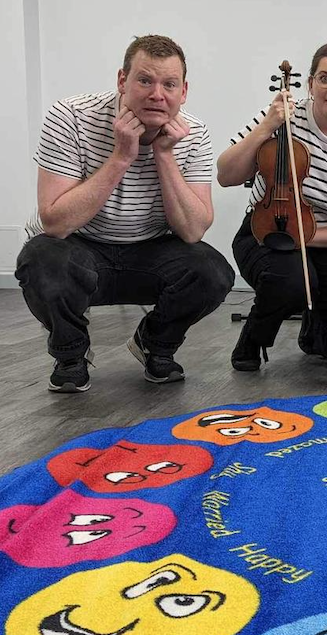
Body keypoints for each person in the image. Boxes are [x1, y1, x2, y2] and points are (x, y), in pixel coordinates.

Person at [16, 34, 232, 392]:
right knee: (41, 258)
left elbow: (193, 231)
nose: (157, 94)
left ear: (183, 91)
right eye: (145, 80)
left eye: (169, 84)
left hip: (149, 250)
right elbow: (55, 222)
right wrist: (121, 157)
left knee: (213, 272)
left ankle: (155, 344)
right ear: (122, 80)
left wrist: (164, 155)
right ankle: (70, 355)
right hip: (78, 244)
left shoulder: (194, 134)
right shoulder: (71, 116)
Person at [218, 42, 327, 372]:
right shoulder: (282, 119)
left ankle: (315, 332)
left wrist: (305, 235)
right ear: (310, 83)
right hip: (268, 236)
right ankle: (254, 337)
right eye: (324, 78)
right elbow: (226, 175)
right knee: (294, 282)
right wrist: (266, 128)